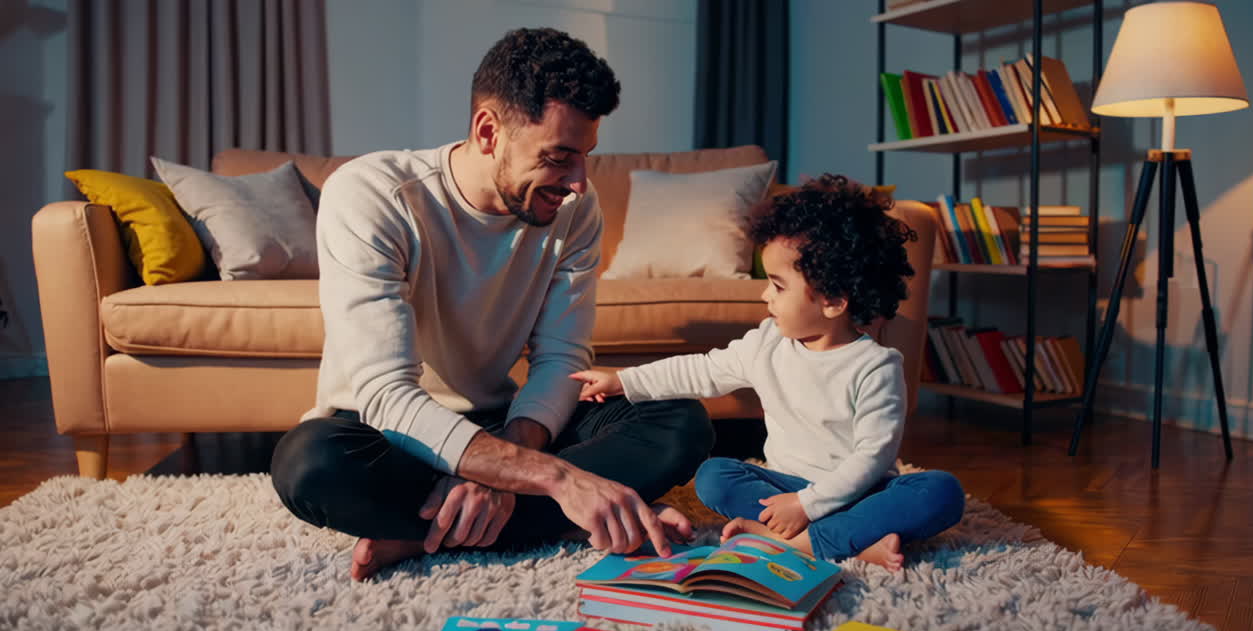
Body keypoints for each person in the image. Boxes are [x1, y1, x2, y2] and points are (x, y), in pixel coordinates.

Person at [271, 28, 712, 581]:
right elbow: (385, 394)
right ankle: (570, 517)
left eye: (586, 158)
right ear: (487, 131)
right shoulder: (372, 195)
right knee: (308, 465)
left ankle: (421, 535)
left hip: (504, 422)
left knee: (679, 419)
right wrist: (557, 480)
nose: (578, 183)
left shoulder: (577, 209)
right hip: (389, 432)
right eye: (559, 157)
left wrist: (504, 464)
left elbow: (561, 362)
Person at [572, 175, 965, 571]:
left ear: (832, 302)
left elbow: (872, 457)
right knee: (715, 474)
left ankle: (802, 541)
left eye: (778, 286)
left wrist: (806, 506)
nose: (765, 295)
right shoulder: (767, 342)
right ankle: (854, 541)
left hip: (860, 491)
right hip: (784, 487)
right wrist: (624, 380)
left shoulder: (876, 367)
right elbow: (702, 370)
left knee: (940, 491)